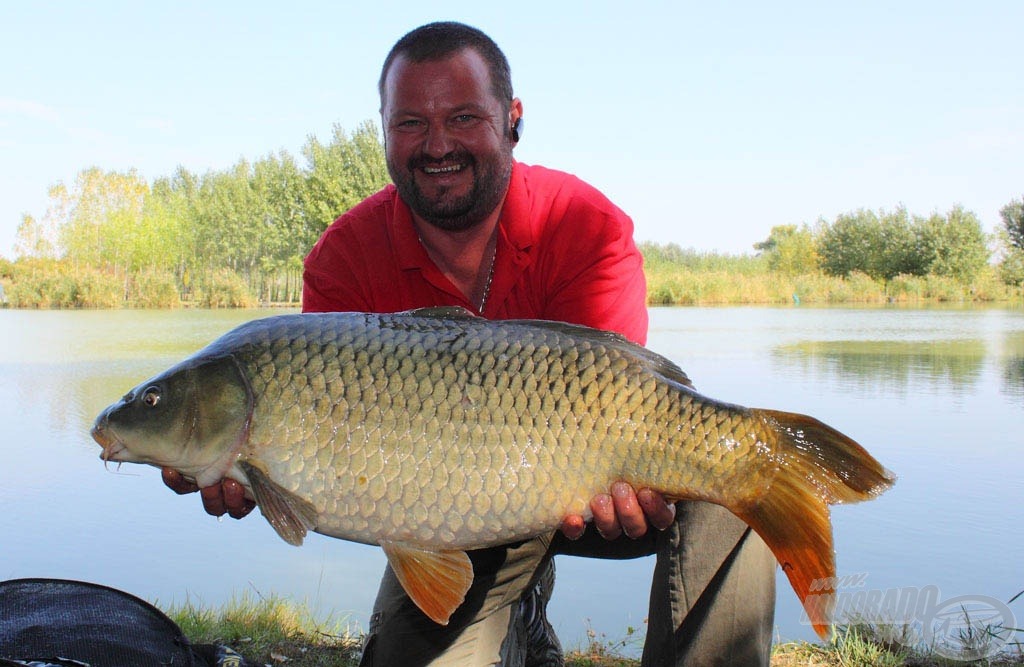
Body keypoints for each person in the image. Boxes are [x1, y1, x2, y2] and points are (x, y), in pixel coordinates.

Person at [163, 21, 776, 667]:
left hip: (581, 487)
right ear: (383, 128)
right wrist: (256, 472)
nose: (437, 145)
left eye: (462, 117)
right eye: (409, 123)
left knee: (739, 487)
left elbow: (620, 396)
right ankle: (520, 628)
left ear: (511, 119)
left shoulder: (585, 226)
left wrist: (633, 485)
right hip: (437, 511)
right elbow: (337, 469)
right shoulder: (344, 257)